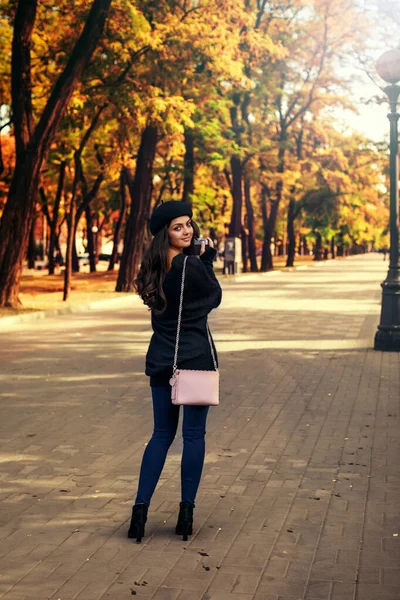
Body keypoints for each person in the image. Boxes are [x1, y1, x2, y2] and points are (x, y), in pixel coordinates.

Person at [128, 200, 222, 543]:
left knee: (161, 434)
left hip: (161, 359)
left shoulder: (151, 267)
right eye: (178, 227)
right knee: (193, 437)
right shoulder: (189, 266)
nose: (187, 231)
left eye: (188, 224)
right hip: (195, 358)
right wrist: (207, 260)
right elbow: (213, 297)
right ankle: (186, 513)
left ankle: (139, 512)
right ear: (165, 233)